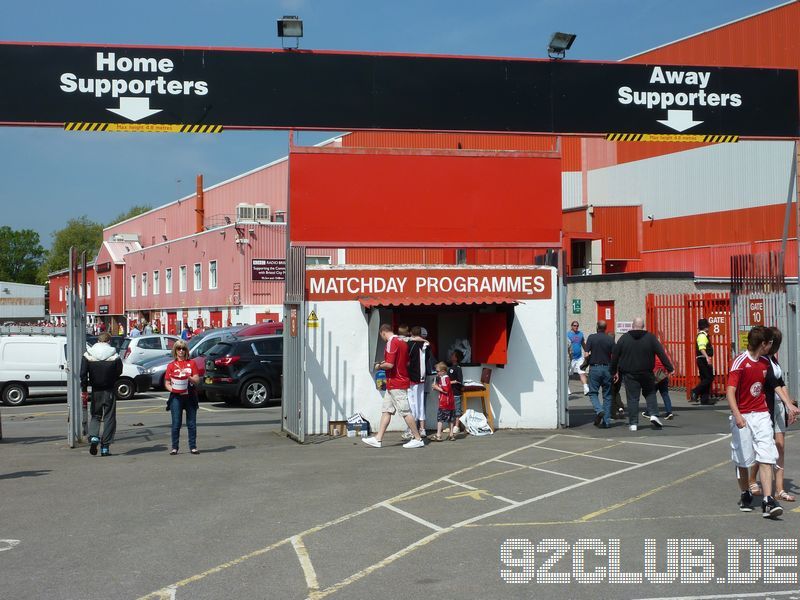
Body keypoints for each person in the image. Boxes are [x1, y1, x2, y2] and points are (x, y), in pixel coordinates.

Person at [727, 326, 783, 517]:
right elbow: (730, 391)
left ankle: (768, 501)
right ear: (763, 344)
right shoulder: (740, 362)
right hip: (743, 415)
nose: (771, 347)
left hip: (761, 414)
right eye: (770, 343)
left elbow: (776, 383)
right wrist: (737, 415)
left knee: (767, 455)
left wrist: (788, 403)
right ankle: (745, 493)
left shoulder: (766, 363)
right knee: (743, 459)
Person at [748, 327, 800, 503]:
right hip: (767, 407)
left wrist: (790, 403)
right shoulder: (763, 361)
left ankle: (780, 490)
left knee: (780, 447)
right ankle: (752, 478)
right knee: (766, 449)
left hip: (779, 407)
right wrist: (787, 403)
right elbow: (772, 384)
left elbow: (781, 382)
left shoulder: (774, 360)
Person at [363, 324, 424, 449]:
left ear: (383, 332)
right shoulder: (402, 342)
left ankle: (418, 438)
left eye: (381, 336)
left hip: (396, 382)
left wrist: (379, 366)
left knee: (405, 411)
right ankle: (378, 439)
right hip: (395, 382)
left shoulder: (391, 343)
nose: (382, 339)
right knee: (387, 410)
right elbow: (404, 362)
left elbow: (390, 365)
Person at [610, 317, 673, 432]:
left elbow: (615, 356)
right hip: (647, 372)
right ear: (643, 326)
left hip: (629, 374)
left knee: (633, 398)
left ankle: (633, 423)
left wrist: (613, 371)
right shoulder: (650, 338)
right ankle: (653, 414)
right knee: (650, 393)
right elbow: (661, 353)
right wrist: (669, 368)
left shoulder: (624, 339)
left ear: (632, 326)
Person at [80, 332, 123, 457]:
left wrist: (84, 388)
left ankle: (94, 437)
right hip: (109, 389)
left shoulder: (88, 354)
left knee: (95, 415)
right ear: (109, 341)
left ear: (98, 341)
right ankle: (105, 447)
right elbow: (119, 371)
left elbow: (83, 374)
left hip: (95, 389)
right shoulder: (114, 355)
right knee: (109, 417)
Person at [165, 340, 201, 455]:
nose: (181, 351)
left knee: (191, 423)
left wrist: (189, 377)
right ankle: (174, 447)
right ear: (175, 350)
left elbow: (197, 380)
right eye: (179, 348)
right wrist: (173, 390)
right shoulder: (171, 365)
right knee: (176, 423)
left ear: (186, 351)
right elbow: (167, 382)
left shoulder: (192, 363)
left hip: (190, 396)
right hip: (176, 397)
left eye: (183, 349)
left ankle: (193, 447)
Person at [585, 320, 615, 428]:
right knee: (607, 395)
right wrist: (615, 371)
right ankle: (606, 422)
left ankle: (599, 410)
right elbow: (615, 356)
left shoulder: (591, 337)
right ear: (605, 328)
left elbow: (586, 354)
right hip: (607, 368)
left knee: (593, 393)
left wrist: (585, 364)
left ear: (597, 327)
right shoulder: (610, 339)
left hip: (595, 368)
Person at [404, 326, 430, 439]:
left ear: (411, 333)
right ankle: (422, 429)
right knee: (420, 402)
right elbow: (428, 356)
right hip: (422, 376)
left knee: (412, 403)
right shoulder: (426, 344)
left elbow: (405, 359)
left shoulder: (409, 344)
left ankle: (411, 429)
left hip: (411, 376)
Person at [429, 362, 457, 441]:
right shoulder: (446, 378)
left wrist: (436, 387)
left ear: (443, 371)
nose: (437, 373)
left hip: (444, 402)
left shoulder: (443, 378)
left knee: (440, 419)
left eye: (438, 371)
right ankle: (451, 435)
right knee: (451, 419)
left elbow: (445, 391)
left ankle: (438, 435)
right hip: (450, 402)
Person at [690, 318, 715, 404]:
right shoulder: (702, 336)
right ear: (705, 327)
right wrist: (707, 357)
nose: (709, 327)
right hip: (703, 359)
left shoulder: (703, 335)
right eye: (708, 326)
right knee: (709, 378)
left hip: (702, 358)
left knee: (705, 378)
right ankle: (695, 391)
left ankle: (704, 400)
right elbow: (701, 348)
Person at [567, 321, 589, 395]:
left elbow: (583, 343)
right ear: (571, 326)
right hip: (571, 358)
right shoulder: (568, 334)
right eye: (574, 325)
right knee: (567, 374)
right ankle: (566, 388)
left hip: (579, 357)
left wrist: (587, 351)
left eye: (577, 326)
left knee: (582, 372)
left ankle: (586, 388)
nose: (576, 327)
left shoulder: (580, 334)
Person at [448, 349, 464, 433]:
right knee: (451, 410)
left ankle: (457, 426)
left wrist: (451, 382)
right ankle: (451, 425)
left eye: (453, 355)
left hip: (456, 393)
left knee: (457, 409)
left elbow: (459, 381)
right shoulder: (450, 368)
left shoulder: (458, 368)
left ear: (456, 358)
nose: (451, 356)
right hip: (450, 393)